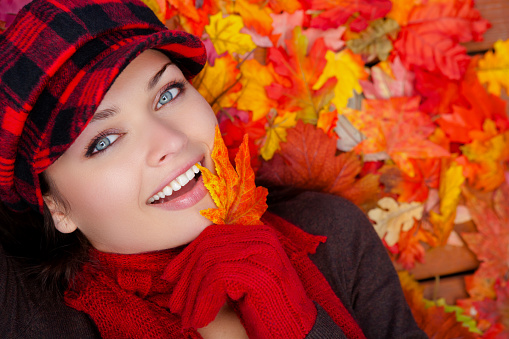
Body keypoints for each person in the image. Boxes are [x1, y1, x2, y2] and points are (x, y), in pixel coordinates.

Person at [0, 0, 427, 338]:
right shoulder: (24, 312)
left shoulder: (332, 233)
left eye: (168, 94)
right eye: (104, 141)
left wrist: (294, 320)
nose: (171, 140)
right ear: (56, 205)